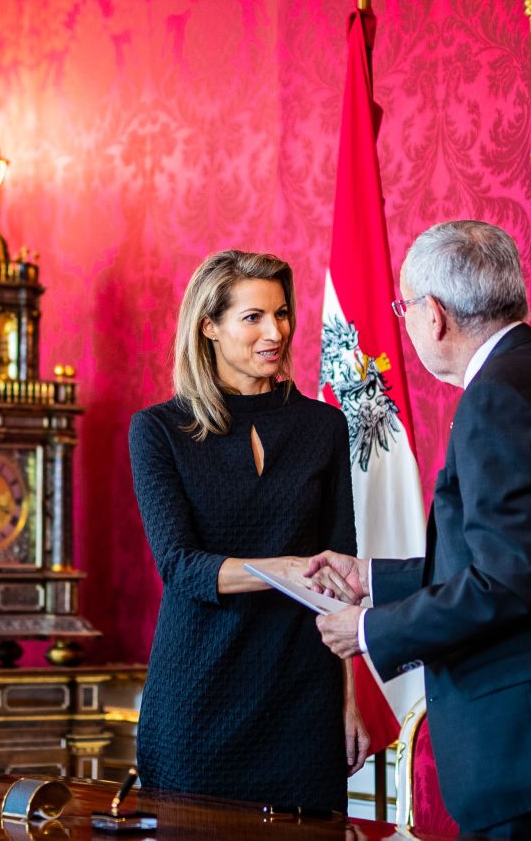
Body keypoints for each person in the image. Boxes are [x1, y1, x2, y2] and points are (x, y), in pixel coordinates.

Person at [304, 221, 531, 839]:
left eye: (403, 309)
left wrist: (370, 629)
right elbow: (521, 561)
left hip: (527, 743)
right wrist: (371, 579)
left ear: (433, 315)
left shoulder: (495, 399)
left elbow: (502, 584)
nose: (405, 323)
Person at [128, 249, 366, 811]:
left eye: (281, 314)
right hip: (198, 695)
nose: (274, 332)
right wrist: (279, 568)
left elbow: (342, 572)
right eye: (253, 317)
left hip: (302, 696)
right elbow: (181, 567)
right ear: (208, 326)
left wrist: (349, 700)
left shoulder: (324, 426)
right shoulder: (159, 431)